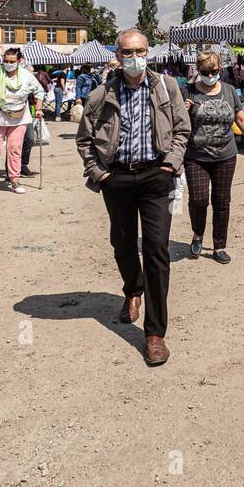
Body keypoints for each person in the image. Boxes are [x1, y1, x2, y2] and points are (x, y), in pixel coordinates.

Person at [76, 29, 190, 366]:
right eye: (128, 51)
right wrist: (100, 173)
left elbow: (183, 130)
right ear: (118, 54)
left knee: (156, 249)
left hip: (157, 175)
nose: (134, 57)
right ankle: (132, 290)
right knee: (123, 243)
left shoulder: (167, 87)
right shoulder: (100, 94)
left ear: (148, 52)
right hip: (118, 177)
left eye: (140, 50)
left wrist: (171, 164)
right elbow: (84, 139)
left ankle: (155, 333)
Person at [182, 51, 244, 264]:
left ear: (220, 69)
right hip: (196, 156)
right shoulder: (188, 92)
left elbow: (240, 118)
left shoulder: (229, 91)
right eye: (205, 72)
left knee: (222, 201)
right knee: (198, 200)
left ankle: (219, 245)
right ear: (198, 71)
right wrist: (182, 111)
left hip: (225, 156)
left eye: (214, 71)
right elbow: (175, 122)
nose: (210, 75)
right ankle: (198, 234)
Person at [0, 47, 42, 193]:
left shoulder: (26, 75)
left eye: (12, 61)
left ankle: (14, 180)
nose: (8, 63)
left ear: (19, 61)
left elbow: (39, 91)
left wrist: (38, 109)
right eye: (5, 60)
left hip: (19, 119)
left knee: (14, 149)